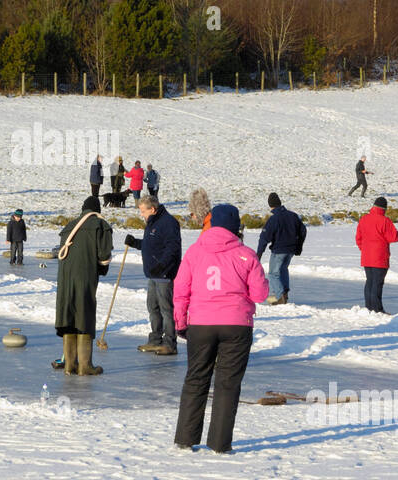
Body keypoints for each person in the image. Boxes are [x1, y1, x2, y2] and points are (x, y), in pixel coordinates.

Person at [173, 204, 269, 454]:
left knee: (196, 378)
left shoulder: (195, 252)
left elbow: (181, 290)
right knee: (227, 384)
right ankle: (219, 443)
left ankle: (185, 438)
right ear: (236, 227)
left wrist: (180, 322)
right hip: (236, 325)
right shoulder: (246, 254)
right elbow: (260, 294)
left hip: (201, 324)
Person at [54, 196, 113, 375]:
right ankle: (85, 366)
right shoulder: (100, 225)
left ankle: (70, 365)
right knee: (84, 315)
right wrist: (101, 271)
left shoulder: (69, 226)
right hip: (84, 276)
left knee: (70, 316)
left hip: (64, 278)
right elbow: (104, 256)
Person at [125, 195, 183, 356]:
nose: (142, 215)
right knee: (153, 308)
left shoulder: (169, 223)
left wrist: (162, 266)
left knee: (166, 309)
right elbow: (151, 245)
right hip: (153, 275)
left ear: (153, 209)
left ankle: (170, 343)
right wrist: (135, 243)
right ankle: (155, 340)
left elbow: (172, 249)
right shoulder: (152, 223)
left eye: (143, 211)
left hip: (164, 275)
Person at [355, 196, 398, 313]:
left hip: (367, 257)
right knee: (377, 284)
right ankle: (377, 310)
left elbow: (358, 238)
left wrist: (365, 249)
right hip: (380, 257)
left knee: (370, 282)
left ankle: (369, 308)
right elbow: (393, 237)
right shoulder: (385, 221)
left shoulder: (364, 219)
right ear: (384, 208)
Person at [256, 192, 306, 304]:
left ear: (270, 205)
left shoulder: (274, 219)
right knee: (283, 270)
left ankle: (280, 296)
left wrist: (259, 254)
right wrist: (299, 246)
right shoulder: (293, 215)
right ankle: (285, 294)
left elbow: (264, 237)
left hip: (279, 251)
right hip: (291, 251)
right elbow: (303, 230)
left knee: (273, 274)